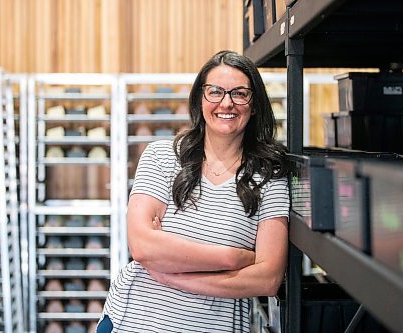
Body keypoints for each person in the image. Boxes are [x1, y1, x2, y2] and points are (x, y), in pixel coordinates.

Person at [97, 50, 290, 333]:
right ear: (200, 99)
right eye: (215, 91)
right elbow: (142, 247)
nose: (227, 103)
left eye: (240, 93)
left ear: (255, 104)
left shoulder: (269, 176)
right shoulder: (162, 156)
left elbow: (267, 278)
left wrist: (173, 276)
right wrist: (234, 259)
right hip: (136, 319)